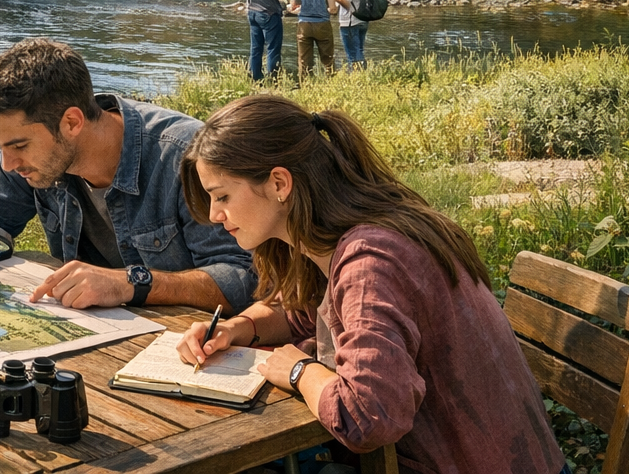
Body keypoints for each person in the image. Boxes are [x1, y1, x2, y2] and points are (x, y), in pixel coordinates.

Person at [177, 96, 566, 474]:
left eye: (222, 196)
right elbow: (303, 311)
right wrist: (236, 328)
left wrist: (300, 371)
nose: (215, 214)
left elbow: (367, 417)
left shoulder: (370, 260)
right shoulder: (337, 235)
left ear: (279, 183)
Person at [0, 39, 254, 312]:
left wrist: (130, 283)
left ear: (71, 122)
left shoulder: (186, 158)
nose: (9, 163)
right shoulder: (37, 158)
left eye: (18, 146)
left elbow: (242, 277)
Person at [287, 0, 336, 81]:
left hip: (304, 24)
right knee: (328, 59)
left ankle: (305, 87)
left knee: (304, 61)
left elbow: (294, 5)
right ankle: (332, 84)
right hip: (323, 24)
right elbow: (332, 8)